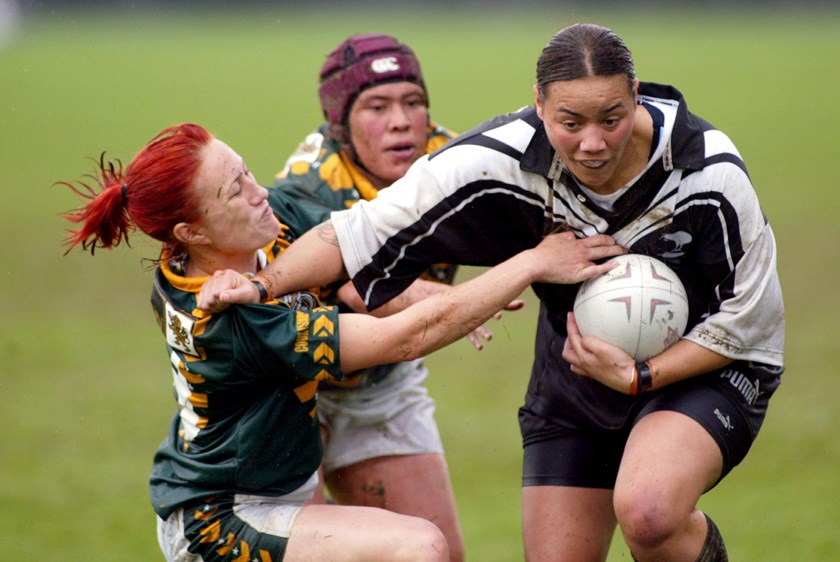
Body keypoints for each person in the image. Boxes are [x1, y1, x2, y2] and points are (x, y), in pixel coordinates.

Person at [199, 23, 786, 562]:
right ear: (538, 105)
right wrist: (260, 283)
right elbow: (355, 233)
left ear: (636, 96)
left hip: (704, 364)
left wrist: (644, 375)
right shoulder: (500, 157)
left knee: (650, 511)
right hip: (575, 371)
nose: (592, 144)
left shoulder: (709, 174)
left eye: (611, 118)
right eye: (569, 123)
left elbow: (750, 323)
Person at [60, 122, 622, 562]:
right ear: (193, 232)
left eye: (247, 172)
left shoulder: (252, 233)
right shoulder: (226, 322)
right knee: (419, 547)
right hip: (222, 518)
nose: (262, 193)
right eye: (235, 191)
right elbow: (400, 342)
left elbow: (354, 266)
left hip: (272, 490)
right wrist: (530, 264)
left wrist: (431, 296)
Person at [272, 33, 468, 559]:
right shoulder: (307, 189)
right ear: (342, 124)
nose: (402, 121)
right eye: (378, 107)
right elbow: (352, 288)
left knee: (438, 552)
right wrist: (447, 298)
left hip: (380, 383)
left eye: (413, 102)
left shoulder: (454, 160)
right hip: (289, 395)